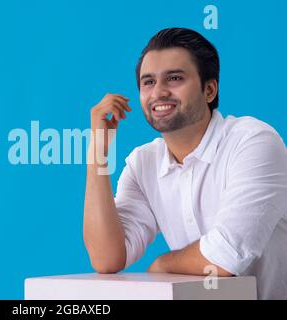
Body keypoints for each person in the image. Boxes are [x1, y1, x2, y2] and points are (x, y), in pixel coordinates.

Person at [83, 27, 287, 299]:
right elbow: (107, 258)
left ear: (209, 90)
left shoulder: (253, 141)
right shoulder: (143, 163)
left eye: (174, 78)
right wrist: (98, 152)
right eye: (148, 82)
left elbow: (226, 256)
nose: (158, 92)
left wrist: (162, 264)